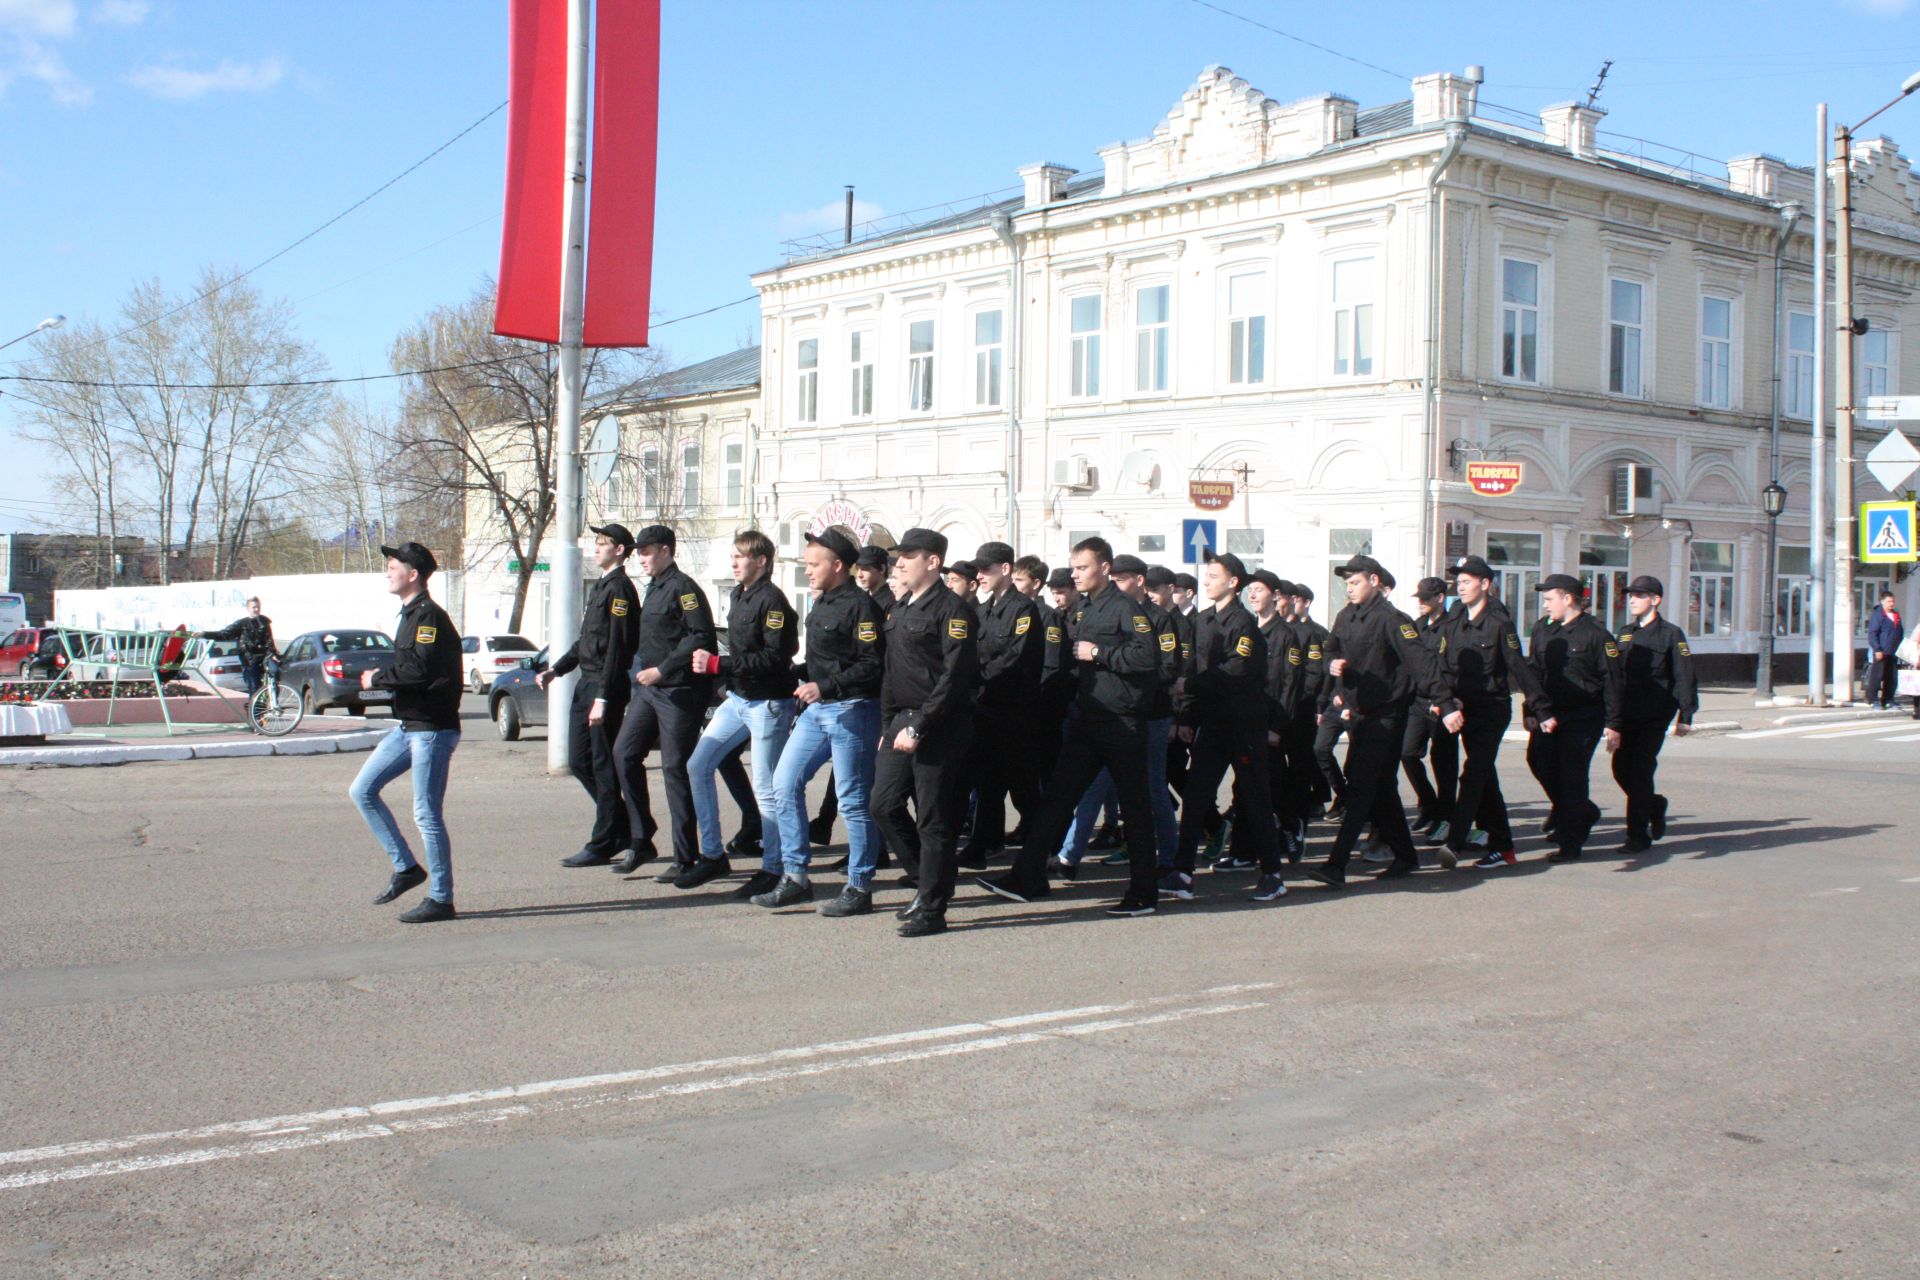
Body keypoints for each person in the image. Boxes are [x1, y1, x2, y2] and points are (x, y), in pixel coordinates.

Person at [978, 536, 1164, 918]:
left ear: (1105, 568)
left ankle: (1144, 893)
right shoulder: (1084, 610)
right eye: (1074, 568)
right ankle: (1027, 876)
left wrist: (1100, 653)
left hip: (1121, 722)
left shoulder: (1125, 608)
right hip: (1086, 719)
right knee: (1058, 799)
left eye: (1082, 568)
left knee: (1136, 807)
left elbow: (1147, 657)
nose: (1075, 575)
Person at [1302, 555, 1454, 889]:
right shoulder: (1346, 616)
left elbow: (1422, 663)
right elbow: (1331, 651)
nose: (1350, 588)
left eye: (1355, 582)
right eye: (1347, 583)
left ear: (1374, 581)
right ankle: (1405, 855)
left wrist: (1445, 702)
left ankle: (1336, 864)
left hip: (1387, 717)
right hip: (1359, 715)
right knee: (1382, 788)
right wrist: (1333, 670)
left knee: (1360, 786)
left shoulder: (1392, 620)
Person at [768, 527, 888, 915]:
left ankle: (859, 885)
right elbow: (823, 660)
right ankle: (795, 877)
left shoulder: (861, 606)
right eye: (806, 564)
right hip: (817, 711)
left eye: (813, 564)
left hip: (852, 712)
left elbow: (872, 664)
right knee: (783, 785)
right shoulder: (821, 602)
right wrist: (796, 674)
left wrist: (825, 684)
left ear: (838, 565)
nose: (807, 571)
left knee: (852, 801)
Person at [674, 530, 800, 895]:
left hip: (767, 704)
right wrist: (726, 677)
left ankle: (775, 867)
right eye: (733, 556)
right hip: (740, 699)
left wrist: (719, 664)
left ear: (761, 561)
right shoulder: (738, 594)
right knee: (698, 765)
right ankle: (712, 856)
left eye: (740, 556)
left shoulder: (773, 603)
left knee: (766, 787)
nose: (734, 562)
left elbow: (777, 658)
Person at [871, 529, 979, 936]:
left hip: (939, 723)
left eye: (908, 556)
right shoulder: (899, 608)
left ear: (933, 562)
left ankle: (933, 908)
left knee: (933, 818)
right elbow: (891, 672)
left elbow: (954, 677)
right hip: (901, 721)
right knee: (882, 804)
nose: (899, 563)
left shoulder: (952, 610)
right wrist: (888, 725)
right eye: (899, 556)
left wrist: (921, 724)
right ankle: (929, 880)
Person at [351, 542, 463, 923]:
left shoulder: (428, 617)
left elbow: (421, 671)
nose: (387, 570)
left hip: (432, 729)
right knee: (362, 790)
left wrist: (377, 677)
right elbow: (413, 668)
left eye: (393, 565)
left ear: (412, 574)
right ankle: (406, 868)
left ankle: (441, 898)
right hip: (410, 726)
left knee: (426, 814)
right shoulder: (410, 615)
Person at [1168, 553, 1287, 902]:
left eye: (1214, 575)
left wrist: (1189, 688)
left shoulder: (1243, 624)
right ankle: (1183, 873)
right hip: (1213, 723)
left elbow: (1235, 670)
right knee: (1196, 795)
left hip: (1244, 725)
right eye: (1206, 575)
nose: (1206, 581)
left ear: (1233, 582)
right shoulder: (1203, 620)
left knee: (1254, 798)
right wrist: (1187, 716)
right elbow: (1192, 667)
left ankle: (1272, 873)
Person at [611, 524, 717, 884]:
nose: (641, 558)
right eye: (638, 552)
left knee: (675, 768)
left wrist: (663, 669)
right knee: (624, 753)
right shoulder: (653, 588)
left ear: (667, 551)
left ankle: (687, 856)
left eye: (647, 551)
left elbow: (701, 636)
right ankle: (642, 838)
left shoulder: (684, 588)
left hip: (680, 691)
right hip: (651, 689)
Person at [1435, 554, 1552, 871]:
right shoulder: (1456, 616)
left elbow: (1519, 668)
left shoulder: (1499, 623)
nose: (1459, 586)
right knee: (1485, 778)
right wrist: (1446, 701)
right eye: (1457, 581)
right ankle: (1504, 848)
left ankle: (1455, 843)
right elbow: (1443, 665)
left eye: (1466, 581)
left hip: (1492, 710)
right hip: (1464, 709)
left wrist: (1540, 709)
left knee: (1472, 775)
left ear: (1485, 584)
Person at [540, 523, 643, 870]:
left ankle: (606, 839)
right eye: (596, 542)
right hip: (586, 684)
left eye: (604, 543)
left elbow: (616, 648)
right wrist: (558, 668)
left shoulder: (621, 591)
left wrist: (603, 696)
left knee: (601, 763)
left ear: (620, 550)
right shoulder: (601, 586)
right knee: (580, 760)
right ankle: (624, 827)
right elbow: (588, 640)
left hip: (605, 687)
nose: (596, 548)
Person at [1524, 574, 1623, 862]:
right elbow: (1534, 673)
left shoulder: (1596, 634)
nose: (1545, 606)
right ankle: (1582, 811)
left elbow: (1613, 681)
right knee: (1540, 763)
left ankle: (1571, 841)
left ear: (1567, 599)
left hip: (1584, 715)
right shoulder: (1543, 630)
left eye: (1549, 599)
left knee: (1572, 777)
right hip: (1549, 715)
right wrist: (1531, 712)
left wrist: (1614, 724)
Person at [1613, 576, 1697, 854]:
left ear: (1655, 600)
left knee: (1640, 772)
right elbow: (1615, 674)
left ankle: (1637, 836)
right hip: (1627, 714)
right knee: (1620, 769)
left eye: (1639, 595)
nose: (1632, 599)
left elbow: (1684, 674)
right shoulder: (1626, 633)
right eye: (1630, 595)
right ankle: (1654, 804)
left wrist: (1685, 714)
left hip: (1653, 715)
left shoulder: (1671, 634)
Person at [1400, 577, 1457, 841]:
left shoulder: (1452, 628)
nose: (1420, 602)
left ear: (1440, 598)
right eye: (1419, 598)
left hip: (1442, 703)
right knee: (1408, 753)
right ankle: (1428, 804)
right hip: (1418, 702)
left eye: (1426, 598)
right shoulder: (1418, 627)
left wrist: (1445, 701)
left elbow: (1453, 668)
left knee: (1443, 762)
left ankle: (1445, 817)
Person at [199, 596, 280, 696]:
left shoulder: (264, 622)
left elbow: (269, 640)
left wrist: (273, 653)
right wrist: (204, 634)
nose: (256, 609)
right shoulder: (242, 624)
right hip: (250, 659)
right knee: (254, 686)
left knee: (275, 671)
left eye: (258, 607)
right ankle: (255, 708)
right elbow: (224, 634)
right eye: (254, 607)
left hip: (265, 656)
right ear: (248, 608)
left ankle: (274, 700)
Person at [1865, 590, 1903, 710]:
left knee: (1891, 677)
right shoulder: (1878, 615)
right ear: (1882, 602)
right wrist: (1877, 649)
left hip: (1893, 651)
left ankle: (1888, 699)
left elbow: (1899, 631)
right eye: (1889, 601)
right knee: (1877, 676)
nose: (1891, 604)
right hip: (1881, 651)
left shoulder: (1896, 614)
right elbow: (1872, 634)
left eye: (1893, 601)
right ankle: (1873, 699)